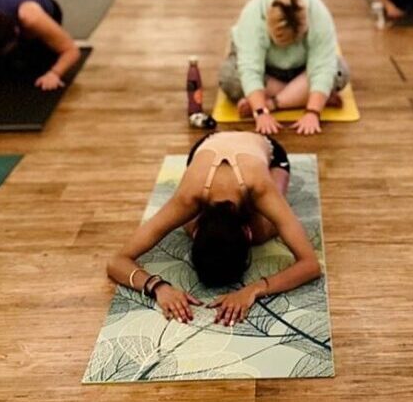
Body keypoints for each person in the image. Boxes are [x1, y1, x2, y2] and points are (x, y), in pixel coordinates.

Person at [106, 131, 321, 326]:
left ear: (246, 231)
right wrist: (158, 287)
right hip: (208, 144)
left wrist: (254, 289)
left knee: (264, 231)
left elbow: (311, 265)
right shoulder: (187, 198)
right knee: (192, 227)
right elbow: (116, 262)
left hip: (267, 151)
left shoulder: (261, 188)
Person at [218, 0, 350, 137]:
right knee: (230, 77)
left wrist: (313, 112)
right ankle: (306, 96)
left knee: (339, 71)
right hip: (270, 73)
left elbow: (323, 65)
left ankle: (276, 102)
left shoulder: (319, 14)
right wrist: (260, 113)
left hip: (303, 70)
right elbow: (250, 68)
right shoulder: (252, 15)